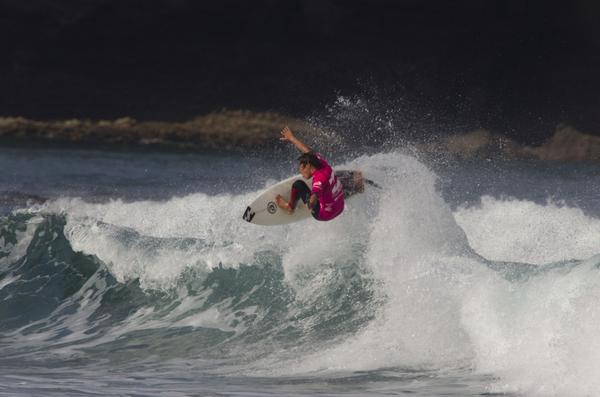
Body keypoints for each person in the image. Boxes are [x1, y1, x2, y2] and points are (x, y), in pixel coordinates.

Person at [276, 126, 344, 221]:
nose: (302, 174)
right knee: (333, 180)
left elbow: (315, 193)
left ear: (307, 165)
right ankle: (354, 185)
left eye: (301, 170)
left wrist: (311, 203)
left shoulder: (318, 179)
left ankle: (290, 207)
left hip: (324, 214)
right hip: (340, 208)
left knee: (298, 184)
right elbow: (308, 151)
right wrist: (291, 138)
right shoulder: (321, 163)